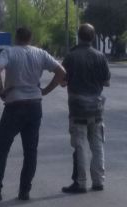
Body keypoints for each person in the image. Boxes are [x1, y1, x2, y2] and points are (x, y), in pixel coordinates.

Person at [0, 27, 66, 202]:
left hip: (14, 106)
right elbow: (61, 72)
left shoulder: (10, 52)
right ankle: (24, 191)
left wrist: (1, 90)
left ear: (16, 37)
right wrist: (45, 91)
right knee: (30, 151)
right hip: (35, 106)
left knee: (2, 150)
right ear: (31, 38)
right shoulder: (41, 53)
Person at [61, 23, 111, 194]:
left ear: (79, 36)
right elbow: (106, 81)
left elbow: (63, 80)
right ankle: (98, 180)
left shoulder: (71, 57)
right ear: (93, 37)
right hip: (96, 108)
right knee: (97, 145)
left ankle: (81, 182)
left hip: (77, 108)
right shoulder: (100, 56)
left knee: (80, 145)